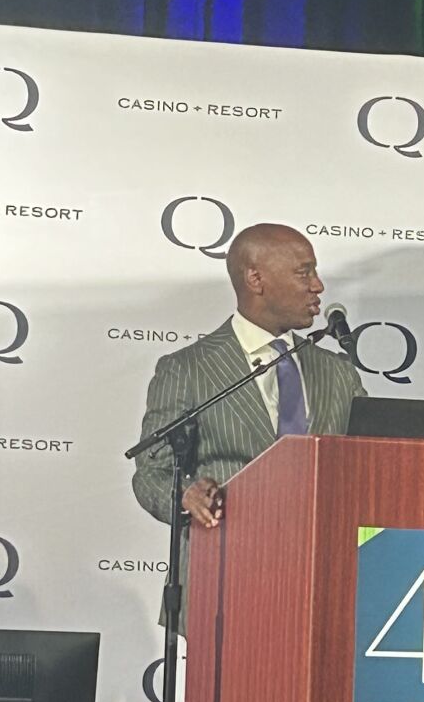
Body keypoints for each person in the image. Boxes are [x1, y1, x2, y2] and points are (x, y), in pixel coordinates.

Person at [132, 224, 365, 614]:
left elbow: (367, 460)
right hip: (224, 583)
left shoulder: (338, 372)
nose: (318, 286)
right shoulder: (188, 369)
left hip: (324, 583)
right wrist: (186, 497)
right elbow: (150, 473)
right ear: (256, 278)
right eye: (303, 272)